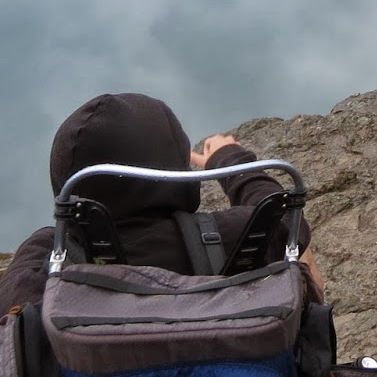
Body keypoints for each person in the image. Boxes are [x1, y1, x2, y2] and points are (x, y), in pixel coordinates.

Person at [0, 92, 317, 315]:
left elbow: (12, 312)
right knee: (296, 253)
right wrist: (228, 159)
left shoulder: (47, 249)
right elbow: (288, 217)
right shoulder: (225, 234)